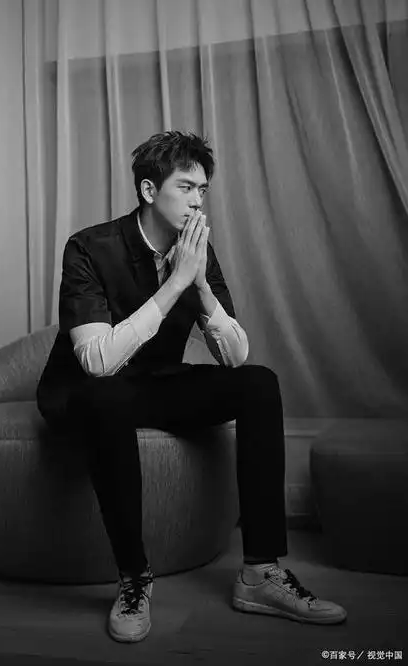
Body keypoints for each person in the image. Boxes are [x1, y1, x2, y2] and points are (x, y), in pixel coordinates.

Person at [36, 130, 347, 643]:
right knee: (107, 396)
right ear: (149, 190)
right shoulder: (89, 247)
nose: (198, 200)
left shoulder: (196, 251)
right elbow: (96, 362)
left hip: (152, 384)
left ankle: (261, 572)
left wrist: (199, 283)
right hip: (83, 392)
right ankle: (134, 579)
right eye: (185, 187)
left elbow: (235, 355)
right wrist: (175, 283)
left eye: (203, 189)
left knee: (258, 384)